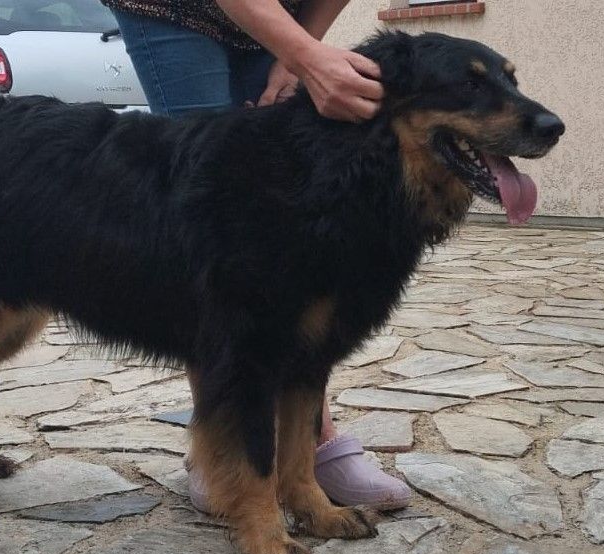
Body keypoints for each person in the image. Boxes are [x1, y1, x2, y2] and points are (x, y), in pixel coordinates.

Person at [104, 0, 412, 511]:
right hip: (171, 9)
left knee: (287, 224)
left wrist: (296, 52)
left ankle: (307, 447)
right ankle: (222, 451)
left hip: (280, 11)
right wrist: (306, 55)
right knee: (215, 227)